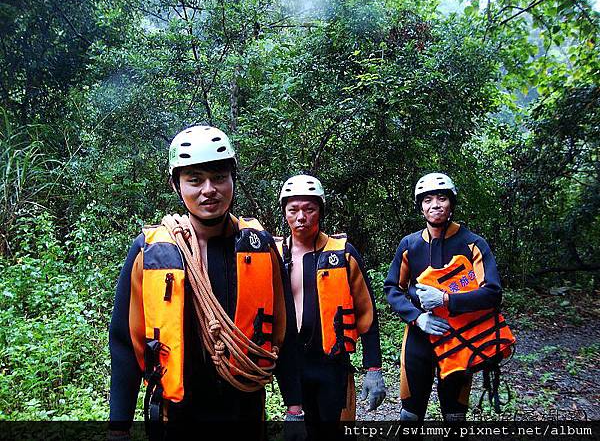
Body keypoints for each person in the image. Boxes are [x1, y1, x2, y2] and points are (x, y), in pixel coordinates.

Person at [108, 126, 302, 439]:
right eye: (194, 179)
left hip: (244, 410)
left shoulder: (260, 246)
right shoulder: (150, 250)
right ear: (176, 185)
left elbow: (285, 330)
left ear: (233, 179)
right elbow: (124, 341)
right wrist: (119, 425)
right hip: (175, 415)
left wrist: (295, 407)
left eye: (219, 177)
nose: (208, 189)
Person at [384, 172, 513, 422]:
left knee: (455, 416)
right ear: (420, 207)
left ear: (451, 203)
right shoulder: (410, 244)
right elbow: (392, 288)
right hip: (419, 339)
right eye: (427, 200)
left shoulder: (472, 243)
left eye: (441, 198)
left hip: (460, 339)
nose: (435, 205)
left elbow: (493, 292)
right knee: (410, 414)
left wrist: (446, 300)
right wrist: (417, 317)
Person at [275, 174, 386, 437]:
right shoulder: (274, 253)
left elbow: (366, 313)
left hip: (331, 362)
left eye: (309, 209)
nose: (301, 217)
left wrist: (373, 369)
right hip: (290, 363)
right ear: (285, 213)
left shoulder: (343, 253)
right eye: (293, 210)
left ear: (320, 211)